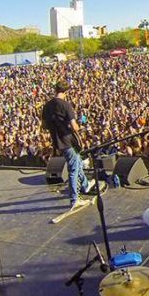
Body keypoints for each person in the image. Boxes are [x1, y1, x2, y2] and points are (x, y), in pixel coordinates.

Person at [41, 80, 93, 209]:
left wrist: (54, 125)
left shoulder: (47, 106)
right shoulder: (65, 105)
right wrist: (79, 126)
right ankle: (74, 199)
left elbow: (44, 125)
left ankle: (85, 185)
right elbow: (74, 127)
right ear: (66, 92)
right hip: (68, 141)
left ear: (55, 90)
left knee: (77, 162)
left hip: (57, 141)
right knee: (73, 168)